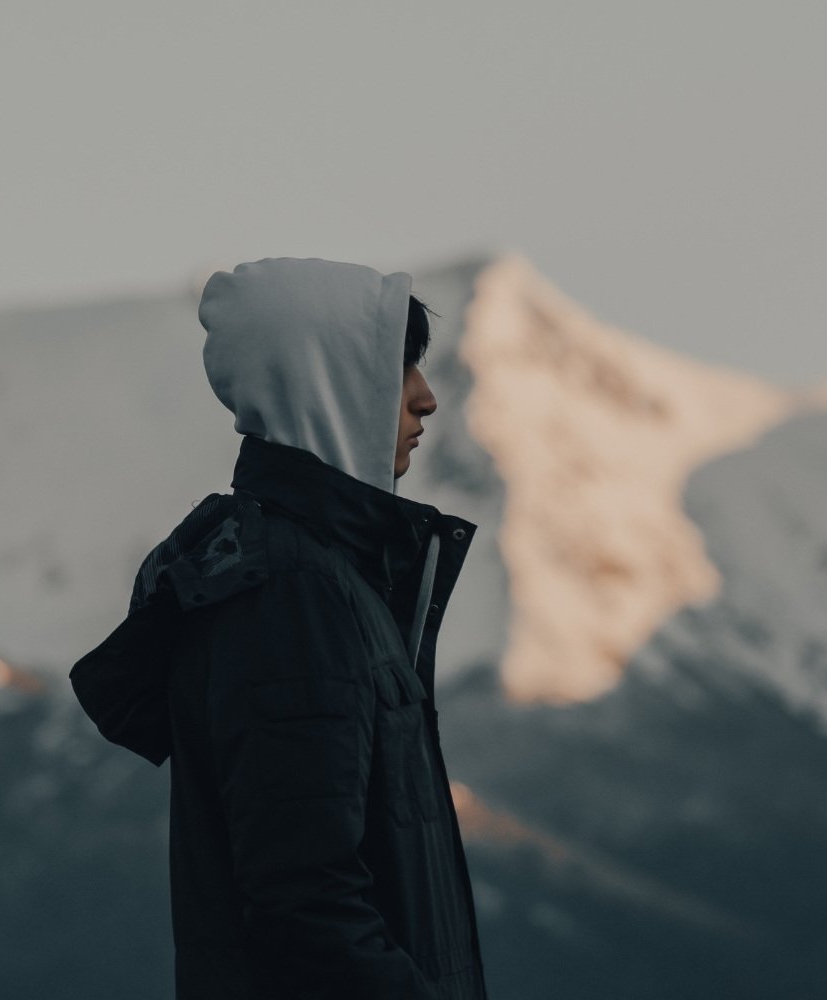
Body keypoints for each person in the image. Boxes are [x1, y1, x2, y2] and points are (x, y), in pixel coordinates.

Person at [70, 257, 488, 999]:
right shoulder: (292, 594)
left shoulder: (330, 577)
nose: (425, 400)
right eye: (397, 369)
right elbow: (306, 908)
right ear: (325, 385)